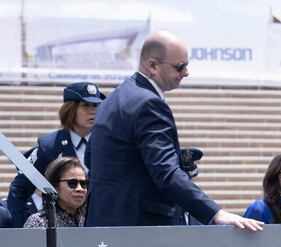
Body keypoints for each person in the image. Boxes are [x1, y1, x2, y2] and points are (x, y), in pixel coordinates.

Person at [86, 30, 260, 231]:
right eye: (180, 66)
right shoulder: (148, 103)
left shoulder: (113, 99)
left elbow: (91, 158)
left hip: (103, 224)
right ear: (152, 65)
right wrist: (215, 213)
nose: (186, 73)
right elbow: (166, 171)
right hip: (140, 230)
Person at [7, 82, 104, 228]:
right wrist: (19, 232)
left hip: (99, 228)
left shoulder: (107, 144)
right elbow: (19, 189)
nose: (92, 111)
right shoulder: (50, 145)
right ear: (70, 109)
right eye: (85, 106)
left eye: (95, 106)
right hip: (58, 229)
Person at [23, 157, 87, 228]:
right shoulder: (40, 222)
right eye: (72, 183)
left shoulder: (90, 220)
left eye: (83, 183)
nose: (80, 189)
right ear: (54, 186)